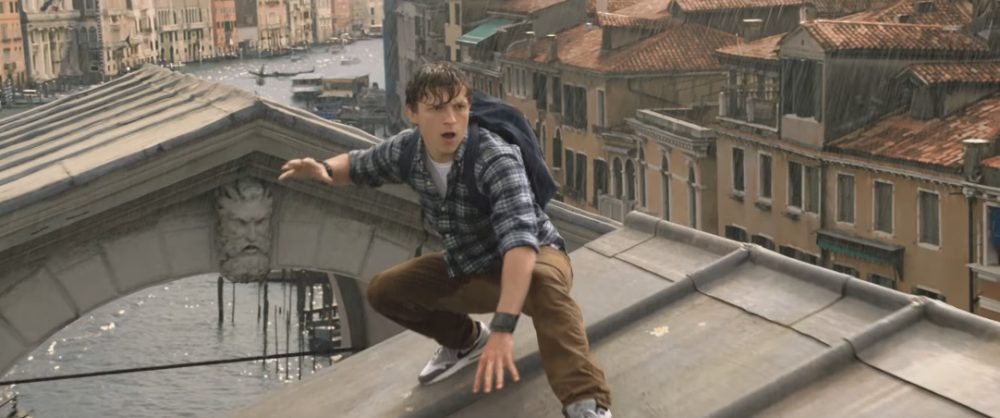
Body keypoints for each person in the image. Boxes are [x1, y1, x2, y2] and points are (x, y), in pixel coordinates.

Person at [277, 62, 612, 418]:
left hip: (536, 254)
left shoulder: (495, 158)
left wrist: (504, 328)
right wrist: (324, 170)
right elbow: (361, 164)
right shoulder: (408, 151)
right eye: (437, 109)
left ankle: (586, 402)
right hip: (469, 264)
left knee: (545, 286)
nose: (450, 119)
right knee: (385, 291)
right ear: (413, 113)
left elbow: (520, 245)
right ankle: (466, 342)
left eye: (459, 107)